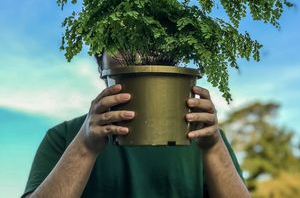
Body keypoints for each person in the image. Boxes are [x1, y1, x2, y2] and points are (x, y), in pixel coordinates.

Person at [22, 52, 251, 198]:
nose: (136, 53)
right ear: (99, 61)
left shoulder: (203, 136)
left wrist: (213, 148)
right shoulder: (64, 137)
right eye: (121, 42)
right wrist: (84, 147)